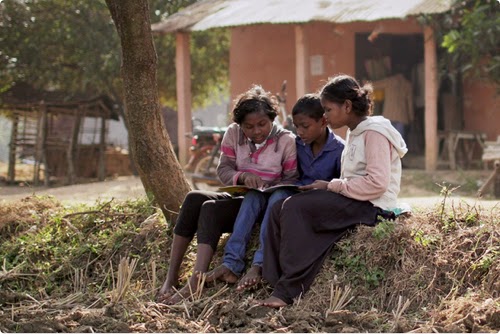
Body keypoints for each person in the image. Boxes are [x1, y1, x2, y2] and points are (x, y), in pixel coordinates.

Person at [256, 74, 408, 308]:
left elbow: (378, 183)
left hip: (373, 206)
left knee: (296, 208)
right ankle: (275, 280)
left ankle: (288, 291)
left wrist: (331, 186)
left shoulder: (374, 132)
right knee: (278, 207)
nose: (324, 115)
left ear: (347, 106)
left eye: (327, 109)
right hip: (354, 199)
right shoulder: (355, 132)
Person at [156, 84, 298, 304]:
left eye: (262, 124)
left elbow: (292, 177)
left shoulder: (285, 140)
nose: (256, 131)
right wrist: (242, 177)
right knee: (193, 198)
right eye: (249, 127)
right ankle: (171, 277)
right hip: (244, 196)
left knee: (210, 208)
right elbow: (223, 171)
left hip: (268, 200)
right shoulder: (233, 134)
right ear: (239, 125)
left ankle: (197, 281)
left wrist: (272, 185)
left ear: (272, 119)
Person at [206, 93, 345, 291]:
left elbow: (336, 183)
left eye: (304, 127)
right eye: (297, 127)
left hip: (300, 198)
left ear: (323, 121)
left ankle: (259, 264)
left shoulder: (336, 149)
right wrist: (249, 179)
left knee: (278, 199)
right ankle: (231, 264)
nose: (300, 132)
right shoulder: (298, 143)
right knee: (254, 197)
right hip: (276, 192)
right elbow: (291, 175)